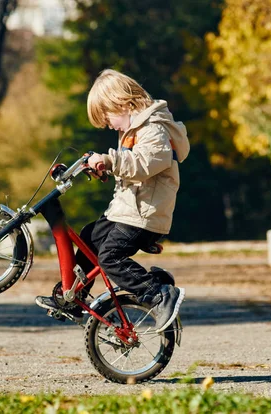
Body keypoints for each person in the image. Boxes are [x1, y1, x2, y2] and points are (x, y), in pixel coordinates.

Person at [35, 69, 190, 332]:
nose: (109, 126)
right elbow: (131, 168)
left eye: (107, 118)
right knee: (88, 238)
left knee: (110, 257)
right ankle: (74, 296)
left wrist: (109, 160)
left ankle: (158, 294)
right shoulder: (134, 130)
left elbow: (143, 163)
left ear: (123, 103)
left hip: (144, 217)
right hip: (127, 211)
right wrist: (106, 169)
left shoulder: (154, 129)